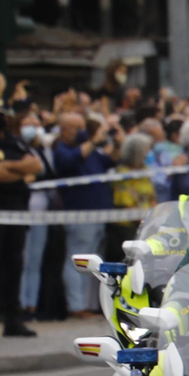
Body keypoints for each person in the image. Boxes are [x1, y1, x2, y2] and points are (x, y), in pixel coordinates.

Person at [0, 102, 44, 337]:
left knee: (14, 265)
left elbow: (36, 165)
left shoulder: (14, 140)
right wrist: (17, 170)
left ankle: (12, 320)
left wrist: (5, 166)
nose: (1, 119)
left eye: (4, 115)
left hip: (17, 210)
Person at [53, 111, 117, 318]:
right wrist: (92, 140)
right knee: (77, 258)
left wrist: (116, 138)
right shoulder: (62, 149)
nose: (82, 132)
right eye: (78, 128)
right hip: (80, 214)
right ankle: (76, 305)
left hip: (99, 214)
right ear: (65, 130)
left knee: (94, 262)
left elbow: (111, 160)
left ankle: (90, 304)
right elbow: (71, 160)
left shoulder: (92, 152)